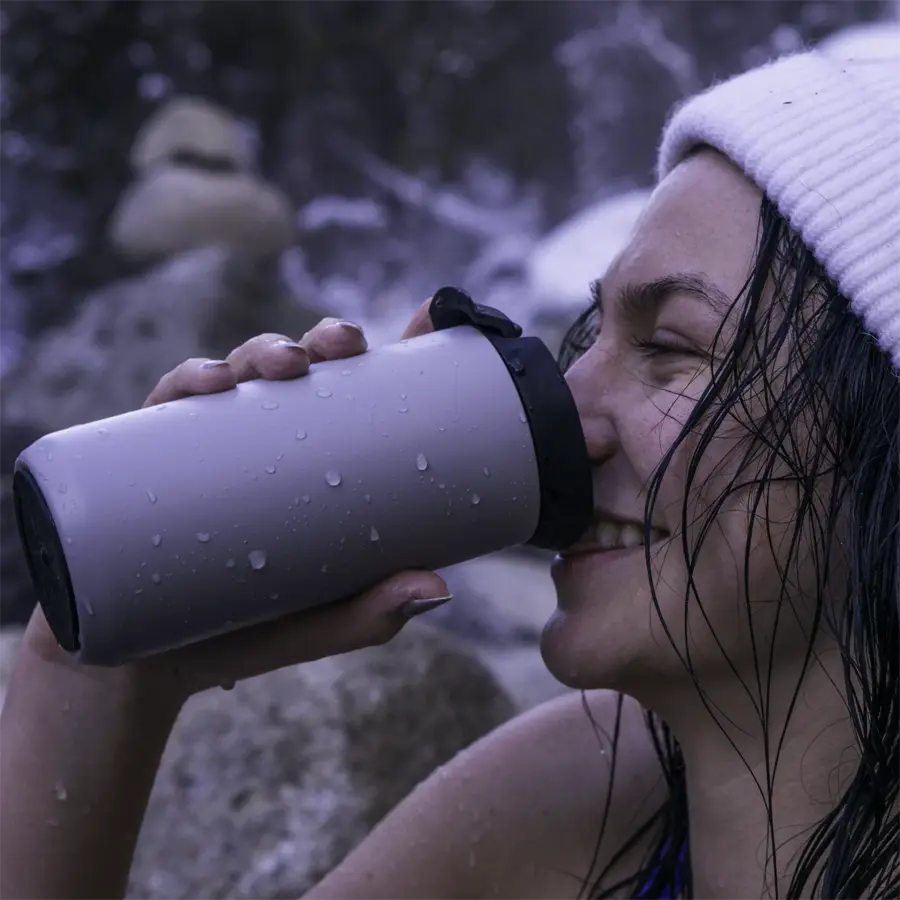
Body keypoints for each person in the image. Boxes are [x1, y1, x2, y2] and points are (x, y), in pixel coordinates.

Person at [2, 44, 900, 900]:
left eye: (668, 349)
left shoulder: (588, 805)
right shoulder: (574, 803)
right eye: (587, 341)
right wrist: (99, 673)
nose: (569, 416)